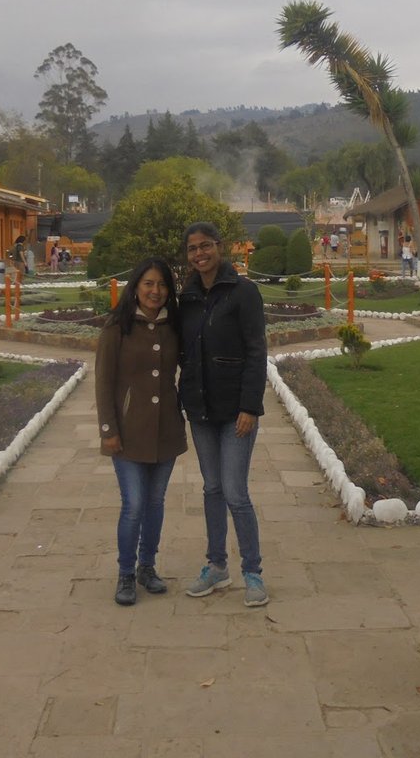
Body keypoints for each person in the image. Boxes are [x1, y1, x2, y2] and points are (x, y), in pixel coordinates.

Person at [178, 221, 269, 608]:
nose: (200, 254)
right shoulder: (187, 299)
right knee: (211, 489)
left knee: (235, 492)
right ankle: (217, 566)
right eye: (193, 249)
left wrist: (249, 406)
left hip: (236, 412)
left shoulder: (243, 292)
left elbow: (256, 351)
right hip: (200, 410)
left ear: (220, 247)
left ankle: (253, 572)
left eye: (206, 246)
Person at [95, 257, 187, 607]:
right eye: (148, 283)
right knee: (133, 505)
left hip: (166, 431)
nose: (155, 291)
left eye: (162, 284)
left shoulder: (173, 326)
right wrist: (108, 430)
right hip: (128, 433)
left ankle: (148, 567)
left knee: (155, 503)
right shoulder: (117, 326)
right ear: (136, 286)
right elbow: (104, 382)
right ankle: (126, 573)